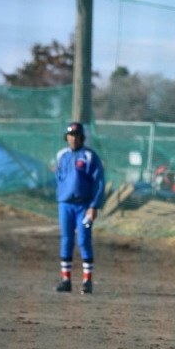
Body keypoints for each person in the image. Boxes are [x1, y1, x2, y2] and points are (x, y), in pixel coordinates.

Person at [55, 122, 105, 295]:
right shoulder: (61, 155)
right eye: (70, 135)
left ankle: (87, 281)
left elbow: (98, 182)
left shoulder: (90, 156)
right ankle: (66, 280)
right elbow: (59, 177)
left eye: (76, 136)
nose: (73, 139)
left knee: (83, 240)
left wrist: (94, 206)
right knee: (66, 240)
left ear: (82, 137)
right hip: (65, 205)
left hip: (83, 206)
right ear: (66, 137)